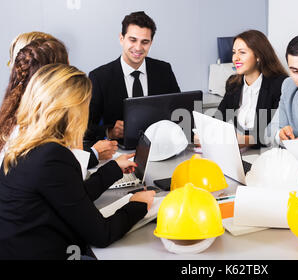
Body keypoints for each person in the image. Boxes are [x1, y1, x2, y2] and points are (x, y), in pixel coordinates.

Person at [0, 64, 156, 259]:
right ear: (72, 111)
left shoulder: (23, 142)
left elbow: (72, 198)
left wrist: (113, 169)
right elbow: (102, 234)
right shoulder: (52, 156)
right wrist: (137, 205)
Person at [2, 33, 118, 169]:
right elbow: (68, 179)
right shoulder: (35, 125)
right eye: (66, 66)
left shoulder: (16, 109)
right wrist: (89, 150)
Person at [86, 11, 180, 143]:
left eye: (145, 42)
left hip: (159, 147)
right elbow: (86, 127)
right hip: (119, 152)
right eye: (133, 40)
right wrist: (109, 132)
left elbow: (179, 111)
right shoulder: (100, 77)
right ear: (121, 39)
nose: (138, 47)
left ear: (151, 43)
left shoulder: (164, 70)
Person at [216, 30, 288, 148]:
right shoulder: (233, 83)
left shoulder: (280, 84)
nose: (235, 58)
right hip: (238, 150)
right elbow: (219, 118)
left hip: (265, 152)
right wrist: (205, 133)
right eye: (234, 52)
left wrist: (244, 140)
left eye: (242, 52)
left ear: (258, 56)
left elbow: (273, 132)